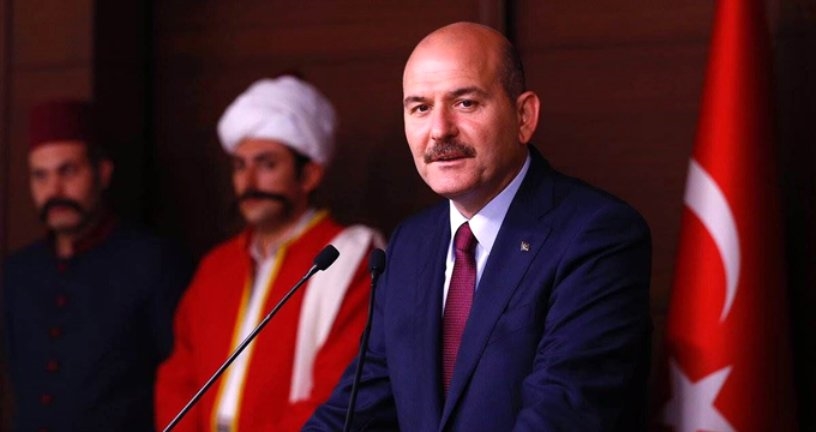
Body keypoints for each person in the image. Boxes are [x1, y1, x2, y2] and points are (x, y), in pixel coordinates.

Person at [305, 22, 652, 431]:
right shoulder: (410, 245)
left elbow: (562, 414)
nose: (440, 130)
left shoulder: (598, 236)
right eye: (420, 108)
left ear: (524, 116)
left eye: (465, 103)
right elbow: (357, 410)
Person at [154, 75, 384, 432]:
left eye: (267, 164)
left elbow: (338, 389)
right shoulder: (216, 265)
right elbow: (179, 378)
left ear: (309, 174)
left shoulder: (348, 256)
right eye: (239, 165)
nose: (248, 182)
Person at [1, 99, 194, 432]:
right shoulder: (16, 273)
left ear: (102, 173)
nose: (54, 190)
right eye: (40, 176)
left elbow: (184, 383)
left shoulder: (154, 263)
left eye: (68, 171)